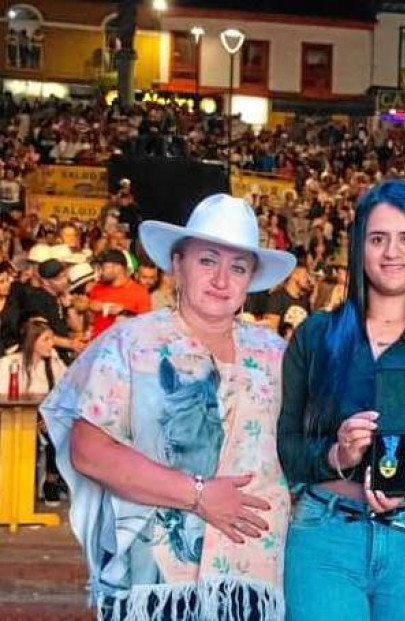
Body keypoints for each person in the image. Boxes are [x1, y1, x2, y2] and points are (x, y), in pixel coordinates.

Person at [40, 193, 297, 620]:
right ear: (178, 264)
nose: (221, 279)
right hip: (155, 580)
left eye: (237, 267)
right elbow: (89, 450)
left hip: (252, 574)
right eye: (207, 261)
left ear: (251, 279)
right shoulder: (128, 343)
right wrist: (198, 496)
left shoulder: (279, 355)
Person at [278, 179, 405, 620]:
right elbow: (288, 449)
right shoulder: (318, 335)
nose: (391, 252)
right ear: (359, 247)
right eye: (378, 238)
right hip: (325, 538)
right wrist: (336, 454)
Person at [0, 317, 68, 503]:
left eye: (51, 339)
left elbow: (66, 394)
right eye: (46, 339)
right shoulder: (10, 363)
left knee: (59, 428)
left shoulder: (54, 364)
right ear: (33, 341)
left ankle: (51, 482)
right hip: (12, 417)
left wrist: (51, 417)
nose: (51, 344)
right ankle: (12, 490)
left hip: (43, 416)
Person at [87, 249, 151, 339]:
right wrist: (88, 306)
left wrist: (123, 312)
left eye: (103, 267)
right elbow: (89, 322)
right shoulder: (96, 288)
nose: (99, 272)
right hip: (96, 345)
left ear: (118, 268)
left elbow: (146, 324)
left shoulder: (139, 292)